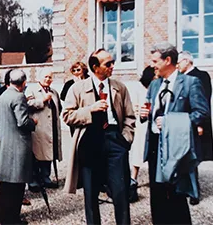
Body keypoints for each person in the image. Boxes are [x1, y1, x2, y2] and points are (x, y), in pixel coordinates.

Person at [63, 48, 135, 225]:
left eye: (112, 62)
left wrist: (125, 139)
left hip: (115, 140)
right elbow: (67, 116)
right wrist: (90, 109)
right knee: (91, 193)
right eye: (108, 64)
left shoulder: (120, 87)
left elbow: (130, 116)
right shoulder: (78, 88)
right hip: (90, 142)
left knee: (121, 192)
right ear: (95, 67)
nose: (112, 66)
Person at [140, 42, 209, 224]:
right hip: (155, 146)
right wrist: (144, 114)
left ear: (168, 60)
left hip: (176, 147)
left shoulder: (190, 83)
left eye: (155, 61)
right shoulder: (155, 85)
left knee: (176, 196)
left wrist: (172, 122)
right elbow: (150, 111)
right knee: (157, 197)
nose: (152, 65)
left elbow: (201, 112)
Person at [0, 69, 37, 224]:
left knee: (6, 183)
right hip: (19, 146)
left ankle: (1, 214)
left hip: (5, 145)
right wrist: (33, 123)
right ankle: (12, 219)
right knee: (17, 185)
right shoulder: (19, 97)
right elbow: (23, 122)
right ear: (24, 82)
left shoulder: (2, 97)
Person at [177, 51, 213, 205]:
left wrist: (199, 125)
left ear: (186, 61)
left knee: (193, 158)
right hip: (184, 123)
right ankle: (186, 188)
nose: (177, 66)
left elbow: (203, 103)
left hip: (196, 123)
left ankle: (194, 193)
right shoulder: (180, 78)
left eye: (179, 62)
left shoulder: (201, 76)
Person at [26, 69, 62, 191]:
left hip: (51, 127)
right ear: (39, 78)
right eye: (46, 77)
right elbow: (27, 104)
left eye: (50, 77)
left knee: (49, 152)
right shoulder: (31, 90)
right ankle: (33, 180)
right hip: (38, 128)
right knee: (36, 154)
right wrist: (42, 100)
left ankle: (46, 178)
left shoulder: (54, 92)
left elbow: (59, 108)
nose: (48, 79)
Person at [129, 66, 156, 203]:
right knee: (138, 151)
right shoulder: (139, 88)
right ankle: (134, 177)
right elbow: (133, 105)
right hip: (141, 123)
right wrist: (137, 110)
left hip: (154, 123)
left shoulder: (158, 87)